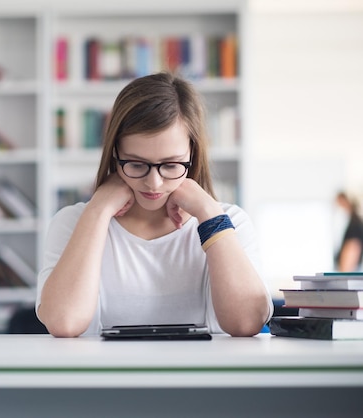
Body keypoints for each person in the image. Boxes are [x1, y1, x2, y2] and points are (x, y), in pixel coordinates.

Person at [36, 72, 273, 338]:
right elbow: (64, 322)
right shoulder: (72, 222)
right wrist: (98, 210)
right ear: (115, 155)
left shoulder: (229, 220)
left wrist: (208, 212)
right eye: (136, 164)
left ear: (193, 155)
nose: (154, 182)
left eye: (171, 165)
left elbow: (246, 323)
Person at [334, 191, 363, 271]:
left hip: (348, 272)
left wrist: (344, 274)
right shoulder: (352, 220)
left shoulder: (355, 223)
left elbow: (353, 248)